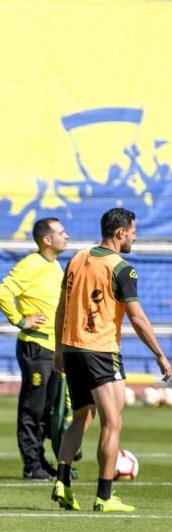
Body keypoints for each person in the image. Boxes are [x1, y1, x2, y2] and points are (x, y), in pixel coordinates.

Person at [52, 207, 172, 512]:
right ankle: (104, 497)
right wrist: (160, 354)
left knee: (81, 417)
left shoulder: (77, 258)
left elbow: (61, 309)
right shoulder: (122, 269)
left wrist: (58, 349)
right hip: (102, 352)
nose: (134, 237)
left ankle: (62, 482)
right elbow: (138, 319)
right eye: (132, 231)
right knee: (113, 423)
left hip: (72, 349)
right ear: (120, 233)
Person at [0, 217, 69, 479]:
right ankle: (32, 465)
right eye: (61, 232)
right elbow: (2, 293)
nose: (66, 236)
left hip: (53, 347)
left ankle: (44, 459)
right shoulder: (31, 264)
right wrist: (19, 320)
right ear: (47, 239)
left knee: (50, 408)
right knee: (33, 408)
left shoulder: (55, 265)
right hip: (35, 346)